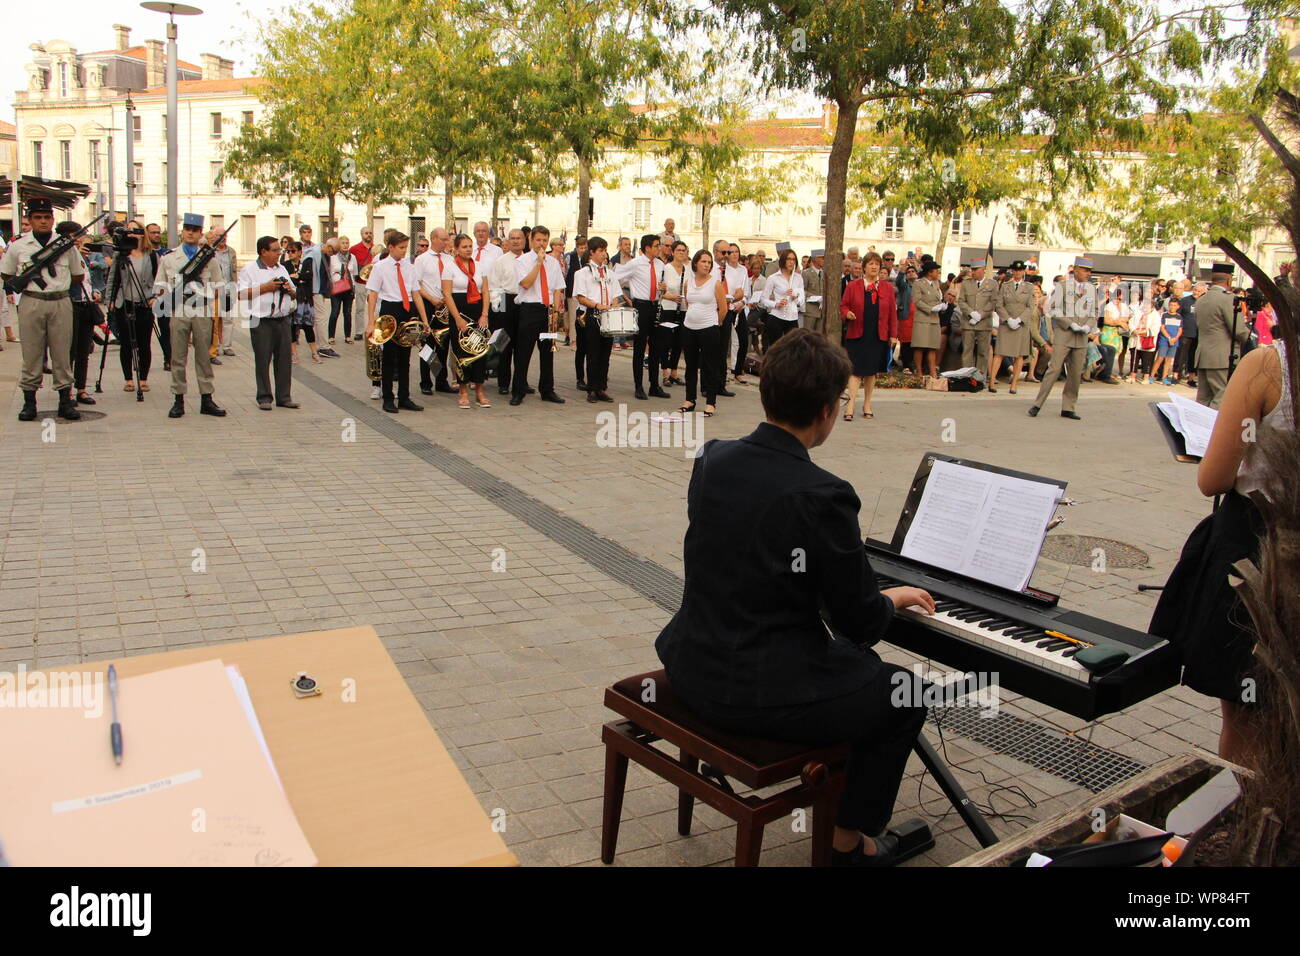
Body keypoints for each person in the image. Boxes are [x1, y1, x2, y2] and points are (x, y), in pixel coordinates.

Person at [654, 328, 936, 867]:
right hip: (758, 692)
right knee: (903, 692)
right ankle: (849, 844)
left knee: (857, 672)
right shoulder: (822, 492)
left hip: (692, 663)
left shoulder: (713, 457)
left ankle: (834, 792)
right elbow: (857, 621)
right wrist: (891, 599)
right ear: (828, 412)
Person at [1151, 314, 1294, 764]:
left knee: (1246, 714)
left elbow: (1213, 478)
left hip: (1260, 546)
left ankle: (1253, 818)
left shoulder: (1270, 365)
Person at [153, 213, 226, 418]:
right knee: (178, 357)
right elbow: (160, 285)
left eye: (195, 230)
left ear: (200, 233)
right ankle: (178, 399)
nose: (191, 233)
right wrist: (169, 295)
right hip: (179, 309)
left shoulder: (209, 259)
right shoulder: (169, 258)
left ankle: (206, 398)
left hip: (201, 308)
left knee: (204, 356)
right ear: (183, 231)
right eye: (187, 229)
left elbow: (218, 286)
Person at [366, 230, 430, 414]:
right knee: (389, 357)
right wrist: (371, 323)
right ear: (391, 247)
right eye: (401, 248)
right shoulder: (380, 267)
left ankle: (404, 396)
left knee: (405, 357)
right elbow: (372, 294)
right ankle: (388, 398)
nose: (404, 251)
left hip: (407, 308)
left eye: (405, 248)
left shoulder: (409, 267)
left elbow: (416, 293)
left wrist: (424, 319)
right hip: (389, 309)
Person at [1028, 256, 1100, 420]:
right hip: (1064, 334)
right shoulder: (1062, 286)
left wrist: (1088, 325)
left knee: (1075, 374)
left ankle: (1068, 407)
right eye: (1085, 270)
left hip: (1081, 337)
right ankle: (1037, 404)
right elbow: (1054, 309)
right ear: (1075, 270)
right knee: (1053, 370)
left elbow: (1094, 311)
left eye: (1090, 271)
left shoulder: (1091, 289)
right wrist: (1070, 323)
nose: (1088, 274)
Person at [238, 236, 298, 411]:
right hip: (261, 320)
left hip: (283, 319)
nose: (279, 253)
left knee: (284, 360)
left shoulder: (282, 268)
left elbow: (294, 293)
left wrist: (289, 290)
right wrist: (266, 287)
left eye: (279, 250)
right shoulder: (250, 269)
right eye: (275, 250)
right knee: (263, 359)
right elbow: (241, 294)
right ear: (263, 251)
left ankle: (284, 397)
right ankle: (264, 397)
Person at [512, 225, 567, 406]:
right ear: (531, 240)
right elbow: (526, 284)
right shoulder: (522, 261)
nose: (541, 244)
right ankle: (518, 390)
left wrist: (557, 310)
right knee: (523, 352)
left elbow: (558, 287)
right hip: (529, 309)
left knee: (547, 351)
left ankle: (547, 390)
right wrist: (538, 263)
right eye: (538, 240)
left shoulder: (553, 262)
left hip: (547, 310)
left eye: (544, 240)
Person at [840, 252, 898, 420]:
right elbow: (843, 305)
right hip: (857, 333)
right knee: (855, 371)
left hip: (877, 334)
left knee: (871, 372)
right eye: (871, 264)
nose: (874, 267)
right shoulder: (853, 286)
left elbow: (892, 315)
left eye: (877, 264)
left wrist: (893, 335)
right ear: (864, 267)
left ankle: (867, 403)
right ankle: (850, 405)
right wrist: (847, 314)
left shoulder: (887, 288)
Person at [104, 221, 158, 395]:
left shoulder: (151, 255)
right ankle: (128, 379)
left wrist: (156, 297)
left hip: (144, 303)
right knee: (126, 344)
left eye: (136, 231)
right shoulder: (121, 255)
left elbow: (161, 279)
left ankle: (143, 379)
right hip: (124, 303)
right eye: (129, 231)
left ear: (143, 233)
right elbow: (112, 279)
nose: (133, 234)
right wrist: (109, 300)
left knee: (144, 344)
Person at [442, 233, 492, 410]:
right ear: (456, 249)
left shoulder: (479, 266)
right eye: (464, 246)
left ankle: (479, 389)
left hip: (478, 310)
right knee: (461, 351)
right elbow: (447, 293)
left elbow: (485, 291)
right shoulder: (449, 267)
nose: (468, 249)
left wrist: (485, 314)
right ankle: (463, 390)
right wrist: (457, 318)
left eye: (470, 246)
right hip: (459, 310)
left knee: (480, 351)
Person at [614, 234, 667, 400]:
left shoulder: (660, 265)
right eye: (657, 245)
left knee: (656, 347)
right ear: (647, 248)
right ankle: (638, 385)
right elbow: (615, 277)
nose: (660, 248)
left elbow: (661, 286)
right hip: (641, 306)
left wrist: (663, 289)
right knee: (639, 347)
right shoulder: (636, 263)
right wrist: (624, 298)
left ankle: (654, 385)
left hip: (655, 305)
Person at [572, 236, 623, 404]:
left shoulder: (611, 273)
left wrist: (613, 306)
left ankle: (602, 387)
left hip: (608, 315)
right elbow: (581, 297)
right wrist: (598, 305)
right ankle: (592, 388)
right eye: (600, 251)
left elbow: (616, 295)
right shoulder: (582, 273)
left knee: (605, 354)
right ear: (592, 252)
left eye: (605, 250)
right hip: (592, 315)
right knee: (593, 353)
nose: (604, 254)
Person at [678, 249, 727, 418]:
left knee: (710, 366)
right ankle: (689, 400)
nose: (707, 265)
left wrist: (716, 322)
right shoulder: (688, 283)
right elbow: (688, 302)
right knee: (690, 365)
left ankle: (710, 403)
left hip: (709, 328)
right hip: (689, 328)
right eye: (703, 261)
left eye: (709, 262)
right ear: (696, 263)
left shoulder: (715, 283)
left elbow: (723, 308)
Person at [1195, 263, 1251, 408]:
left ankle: (1198, 429)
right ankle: (1213, 430)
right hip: (1223, 356)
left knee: (1203, 399)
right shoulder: (1228, 298)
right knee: (1222, 397)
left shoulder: (1201, 300)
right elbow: (1238, 330)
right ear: (1229, 279)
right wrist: (1251, 338)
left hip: (1203, 355)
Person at [414, 227, 455, 396]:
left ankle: (441, 380)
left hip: (445, 305)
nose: (447, 242)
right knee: (427, 345)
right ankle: (425, 381)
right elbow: (416, 284)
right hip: (429, 305)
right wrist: (431, 299)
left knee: (443, 345)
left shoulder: (449, 259)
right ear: (434, 239)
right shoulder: (421, 260)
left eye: (447, 239)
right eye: (444, 239)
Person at [67, 231, 102, 406]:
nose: (79, 240)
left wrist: (96, 291)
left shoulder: (83, 257)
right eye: (75, 236)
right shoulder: (63, 258)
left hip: (86, 306)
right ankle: (67, 392)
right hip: (70, 305)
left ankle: (81, 388)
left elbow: (90, 281)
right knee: (69, 351)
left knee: (84, 351)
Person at [489, 228, 524, 396]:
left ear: (524, 240)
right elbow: (494, 286)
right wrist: (499, 311)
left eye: (519, 238)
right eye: (512, 238)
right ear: (508, 241)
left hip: (525, 302)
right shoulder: (501, 261)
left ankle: (521, 382)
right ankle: (503, 383)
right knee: (505, 346)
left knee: (522, 347)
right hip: (506, 301)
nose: (516, 241)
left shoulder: (529, 260)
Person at [992, 260, 1034, 393]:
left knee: (1019, 356)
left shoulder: (1029, 287)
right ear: (1012, 271)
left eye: (1020, 270)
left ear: (1023, 272)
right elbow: (999, 304)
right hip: (1006, 323)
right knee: (999, 353)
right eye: (1015, 270)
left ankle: (1014, 384)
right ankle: (992, 382)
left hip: (1021, 325)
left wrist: (1020, 319)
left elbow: (1030, 307)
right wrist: (1008, 319)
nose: (1018, 273)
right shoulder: (1005, 286)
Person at [957, 257, 997, 380]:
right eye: (972, 269)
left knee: (983, 352)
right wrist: (971, 313)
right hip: (969, 322)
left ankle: (980, 378)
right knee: (967, 351)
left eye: (976, 269)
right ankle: (967, 377)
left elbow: (993, 301)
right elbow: (961, 301)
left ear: (983, 269)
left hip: (984, 323)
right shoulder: (966, 283)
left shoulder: (992, 284)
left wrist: (981, 314)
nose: (973, 272)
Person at [282, 242, 322, 365]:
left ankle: (314, 352)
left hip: (305, 300)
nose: (290, 254)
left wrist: (297, 277)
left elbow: (308, 276)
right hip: (293, 300)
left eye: (292, 251)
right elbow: (286, 279)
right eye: (288, 251)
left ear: (300, 252)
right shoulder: (285, 265)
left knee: (308, 327)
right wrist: (299, 278)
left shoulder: (306, 262)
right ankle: (294, 353)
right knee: (292, 327)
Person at [716, 242, 746, 397]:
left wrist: (735, 299)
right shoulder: (713, 269)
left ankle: (720, 384)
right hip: (713, 311)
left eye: (730, 252)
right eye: (725, 252)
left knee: (723, 349)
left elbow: (740, 292)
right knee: (712, 349)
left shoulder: (735, 271)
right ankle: (708, 385)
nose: (727, 255)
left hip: (727, 310)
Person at [761, 248, 804, 349]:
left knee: (793, 348)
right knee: (776, 349)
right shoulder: (773, 278)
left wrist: (795, 296)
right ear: (783, 260)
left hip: (793, 317)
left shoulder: (798, 278)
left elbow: (801, 301)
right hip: (777, 317)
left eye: (793, 260)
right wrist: (776, 304)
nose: (791, 262)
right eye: (788, 259)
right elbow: (763, 299)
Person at [910, 260, 944, 379]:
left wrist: (941, 306)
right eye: (936, 271)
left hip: (934, 319)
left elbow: (938, 298)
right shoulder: (918, 283)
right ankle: (918, 370)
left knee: (932, 346)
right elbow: (917, 301)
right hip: (923, 318)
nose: (937, 273)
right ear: (930, 272)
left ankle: (932, 371)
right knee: (920, 345)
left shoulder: (936, 284)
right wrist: (930, 308)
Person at [209, 228, 238, 360]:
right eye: (220, 235)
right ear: (214, 237)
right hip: (214, 290)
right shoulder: (210, 251)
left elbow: (233, 271)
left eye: (225, 235)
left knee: (228, 319)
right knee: (213, 321)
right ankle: (213, 347)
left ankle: (226, 346)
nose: (223, 237)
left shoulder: (231, 251)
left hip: (228, 289)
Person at [326, 235, 357, 350]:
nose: (345, 245)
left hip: (349, 288)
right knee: (335, 311)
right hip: (337, 287)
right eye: (343, 243)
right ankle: (331, 336)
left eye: (347, 242)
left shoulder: (352, 257)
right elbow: (329, 272)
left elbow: (355, 273)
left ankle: (348, 335)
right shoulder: (333, 257)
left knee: (347, 312)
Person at [350, 228, 375, 342]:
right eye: (366, 233)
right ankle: (359, 331)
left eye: (370, 233)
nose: (368, 235)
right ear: (361, 235)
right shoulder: (354, 249)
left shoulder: (376, 248)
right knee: (360, 308)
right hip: (360, 282)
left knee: (374, 308)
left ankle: (374, 329)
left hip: (374, 283)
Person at [1152, 296, 1183, 385]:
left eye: (1174, 305)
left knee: (1169, 360)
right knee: (1160, 358)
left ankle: (1164, 377)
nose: (1172, 307)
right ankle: (1151, 375)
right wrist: (1169, 338)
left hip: (1174, 341)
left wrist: (1175, 339)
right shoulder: (1164, 315)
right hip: (1164, 340)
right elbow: (1162, 328)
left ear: (1178, 306)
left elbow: (1180, 330)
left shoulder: (1179, 317)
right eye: (1171, 305)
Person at [802, 249, 826, 333]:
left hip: (821, 311)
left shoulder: (824, 274)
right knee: (807, 335)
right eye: (822, 258)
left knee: (818, 336)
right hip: (810, 310)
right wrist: (814, 297)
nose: (824, 260)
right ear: (815, 259)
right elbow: (802, 291)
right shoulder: (806, 273)